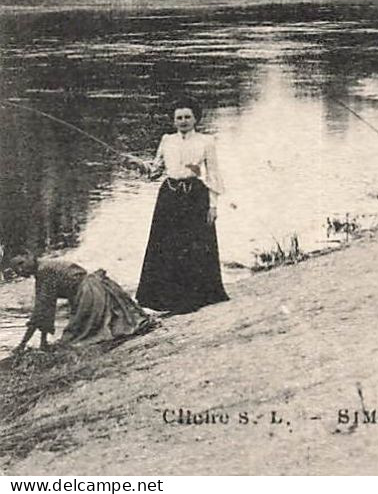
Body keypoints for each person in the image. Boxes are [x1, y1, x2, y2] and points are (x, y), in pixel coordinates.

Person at [136, 101, 229, 314]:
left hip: (195, 196)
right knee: (166, 244)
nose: (183, 121)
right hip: (169, 195)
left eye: (187, 117)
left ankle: (195, 297)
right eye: (179, 118)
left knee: (194, 244)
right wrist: (142, 167)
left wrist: (213, 206)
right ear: (173, 120)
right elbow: (155, 171)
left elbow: (213, 173)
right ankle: (163, 298)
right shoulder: (167, 140)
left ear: (196, 118)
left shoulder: (206, 141)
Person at [7, 251, 154, 357]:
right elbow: (44, 308)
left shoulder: (44, 270)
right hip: (92, 288)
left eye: (21, 263)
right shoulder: (43, 270)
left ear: (29, 255)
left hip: (89, 292)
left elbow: (42, 311)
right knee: (92, 328)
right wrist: (41, 342)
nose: (21, 270)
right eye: (16, 270)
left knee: (78, 338)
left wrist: (22, 344)